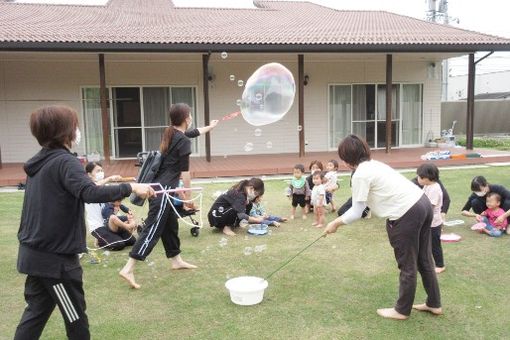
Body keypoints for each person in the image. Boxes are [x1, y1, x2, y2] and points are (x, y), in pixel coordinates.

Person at [14, 105, 154, 339]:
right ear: (64, 131)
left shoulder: (40, 164)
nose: (77, 130)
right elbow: (90, 192)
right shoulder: (64, 162)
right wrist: (132, 186)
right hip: (55, 262)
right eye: (75, 125)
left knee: (35, 314)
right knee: (75, 318)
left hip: (34, 255)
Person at [325, 134, 441, 320]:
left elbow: (357, 211)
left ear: (347, 158)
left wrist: (335, 223)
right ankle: (434, 303)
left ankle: (402, 310)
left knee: (408, 264)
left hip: (407, 213)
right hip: (423, 204)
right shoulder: (374, 164)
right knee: (424, 259)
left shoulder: (361, 174)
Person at [119, 103, 199, 289]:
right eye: (191, 115)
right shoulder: (183, 140)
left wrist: (210, 127)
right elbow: (185, 173)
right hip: (163, 191)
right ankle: (129, 268)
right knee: (153, 227)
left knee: (170, 224)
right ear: (187, 118)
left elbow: (192, 133)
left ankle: (176, 260)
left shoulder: (170, 132)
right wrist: (187, 196)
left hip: (159, 186)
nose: (191, 118)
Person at [84, 162, 136, 251]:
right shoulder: (86, 188)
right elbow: (95, 188)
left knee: (132, 241)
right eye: (97, 171)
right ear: (89, 174)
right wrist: (110, 178)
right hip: (98, 226)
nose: (100, 173)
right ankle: (100, 241)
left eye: (101, 170)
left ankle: (111, 236)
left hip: (109, 223)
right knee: (119, 245)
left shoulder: (106, 186)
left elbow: (117, 200)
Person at [416, 163, 445, 274]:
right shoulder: (428, 185)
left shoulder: (435, 189)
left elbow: (430, 207)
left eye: (420, 177)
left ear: (427, 178)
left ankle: (440, 264)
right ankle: (423, 262)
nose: (418, 178)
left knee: (434, 244)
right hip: (427, 222)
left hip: (433, 223)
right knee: (423, 243)